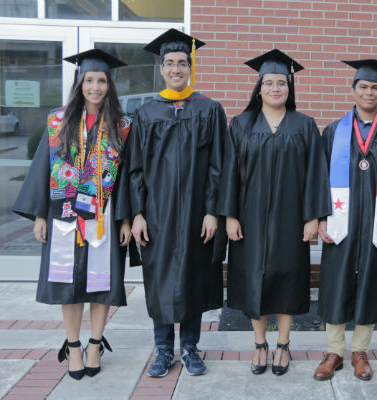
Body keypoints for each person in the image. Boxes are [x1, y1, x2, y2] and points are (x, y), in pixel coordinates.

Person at [12, 49, 133, 380]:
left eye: (102, 81)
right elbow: (42, 168)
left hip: (104, 215)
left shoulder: (122, 126)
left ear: (110, 85)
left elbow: (127, 177)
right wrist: (39, 215)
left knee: (101, 284)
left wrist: (124, 219)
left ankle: (95, 343)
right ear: (80, 83)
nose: (95, 87)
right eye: (89, 80)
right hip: (63, 215)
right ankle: (74, 346)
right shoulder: (57, 121)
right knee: (68, 282)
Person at [218, 49, 330, 376]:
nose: (276, 88)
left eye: (282, 83)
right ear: (259, 88)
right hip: (249, 218)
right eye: (269, 83)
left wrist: (313, 217)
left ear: (290, 88)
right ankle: (259, 344)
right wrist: (230, 215)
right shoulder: (240, 124)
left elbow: (315, 175)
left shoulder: (306, 125)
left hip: (291, 218)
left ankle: (283, 343)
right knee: (254, 279)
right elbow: (229, 174)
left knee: (287, 279)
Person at [127, 29, 227, 378]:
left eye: (182, 62)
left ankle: (190, 347)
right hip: (157, 214)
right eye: (169, 63)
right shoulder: (147, 112)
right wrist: (137, 213)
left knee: (193, 278)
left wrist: (213, 210)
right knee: (160, 280)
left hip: (198, 214)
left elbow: (219, 165)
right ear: (161, 69)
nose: (176, 69)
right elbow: (135, 167)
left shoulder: (210, 109)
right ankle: (163, 349)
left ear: (190, 66)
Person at [314, 59, 377, 381]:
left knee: (372, 283)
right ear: (353, 90)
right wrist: (320, 218)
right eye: (363, 87)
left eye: (375, 87)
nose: (369, 92)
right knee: (336, 283)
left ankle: (360, 351)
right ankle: (334, 351)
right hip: (342, 223)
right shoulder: (334, 131)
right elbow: (318, 179)